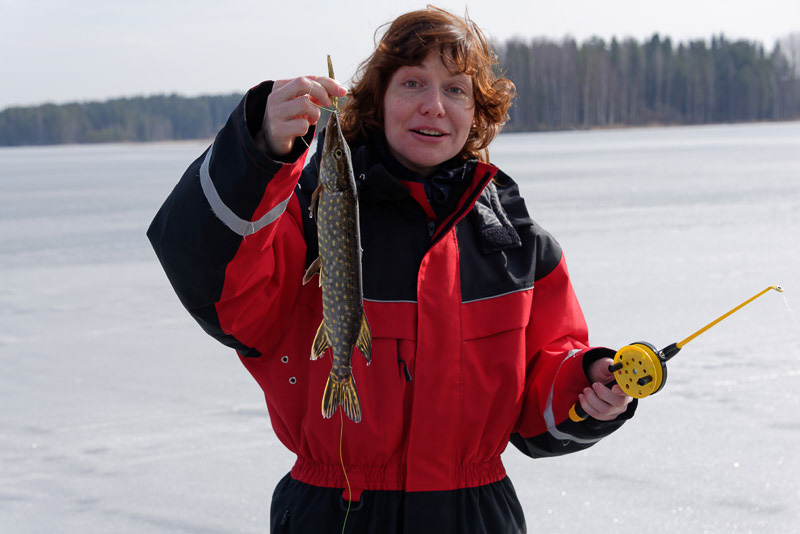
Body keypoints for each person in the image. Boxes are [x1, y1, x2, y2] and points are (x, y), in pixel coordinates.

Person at [148, 6, 636, 533]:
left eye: (455, 89)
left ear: (477, 111)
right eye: (412, 83)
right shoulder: (306, 212)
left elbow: (541, 383)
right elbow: (219, 285)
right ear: (377, 100)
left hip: (475, 516)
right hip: (337, 514)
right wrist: (256, 150)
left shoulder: (513, 238)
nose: (434, 106)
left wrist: (589, 386)